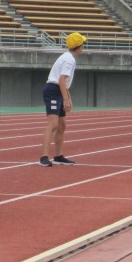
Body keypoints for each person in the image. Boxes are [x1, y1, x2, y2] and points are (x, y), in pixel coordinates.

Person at [40, 32, 86, 167]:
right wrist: (65, 99)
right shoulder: (69, 60)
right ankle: (44, 156)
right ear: (79, 46)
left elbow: (64, 82)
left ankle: (58, 156)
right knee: (53, 124)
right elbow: (61, 80)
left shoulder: (68, 57)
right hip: (53, 90)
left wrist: (68, 97)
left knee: (62, 125)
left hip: (58, 90)